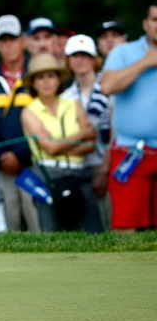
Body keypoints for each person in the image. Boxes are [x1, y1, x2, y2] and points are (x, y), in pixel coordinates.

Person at [20, 54, 102, 232]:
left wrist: (58, 146)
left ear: (59, 79)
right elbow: (50, 147)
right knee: (51, 232)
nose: (46, 82)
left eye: (51, 76)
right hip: (47, 175)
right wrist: (82, 133)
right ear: (33, 83)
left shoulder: (73, 104)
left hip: (80, 173)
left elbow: (90, 144)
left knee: (93, 232)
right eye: (40, 77)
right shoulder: (29, 111)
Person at [0, 15, 39, 232]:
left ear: (23, 41)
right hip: (2, 165)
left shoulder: (39, 75)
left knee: (39, 224)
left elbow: (44, 120)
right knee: (8, 226)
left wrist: (21, 155)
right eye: (3, 40)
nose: (9, 45)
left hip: (34, 163)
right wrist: (2, 156)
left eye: (13, 39)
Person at [99, 0, 157, 232]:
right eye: (155, 19)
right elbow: (108, 86)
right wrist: (146, 62)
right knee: (126, 229)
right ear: (145, 24)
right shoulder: (124, 52)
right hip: (132, 153)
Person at [61, 34, 112, 229]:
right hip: (80, 167)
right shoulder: (66, 96)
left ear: (93, 59)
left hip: (108, 164)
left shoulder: (108, 88)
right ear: (68, 61)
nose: (80, 60)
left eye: (85, 55)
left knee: (110, 220)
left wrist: (104, 169)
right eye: (75, 56)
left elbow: (114, 132)